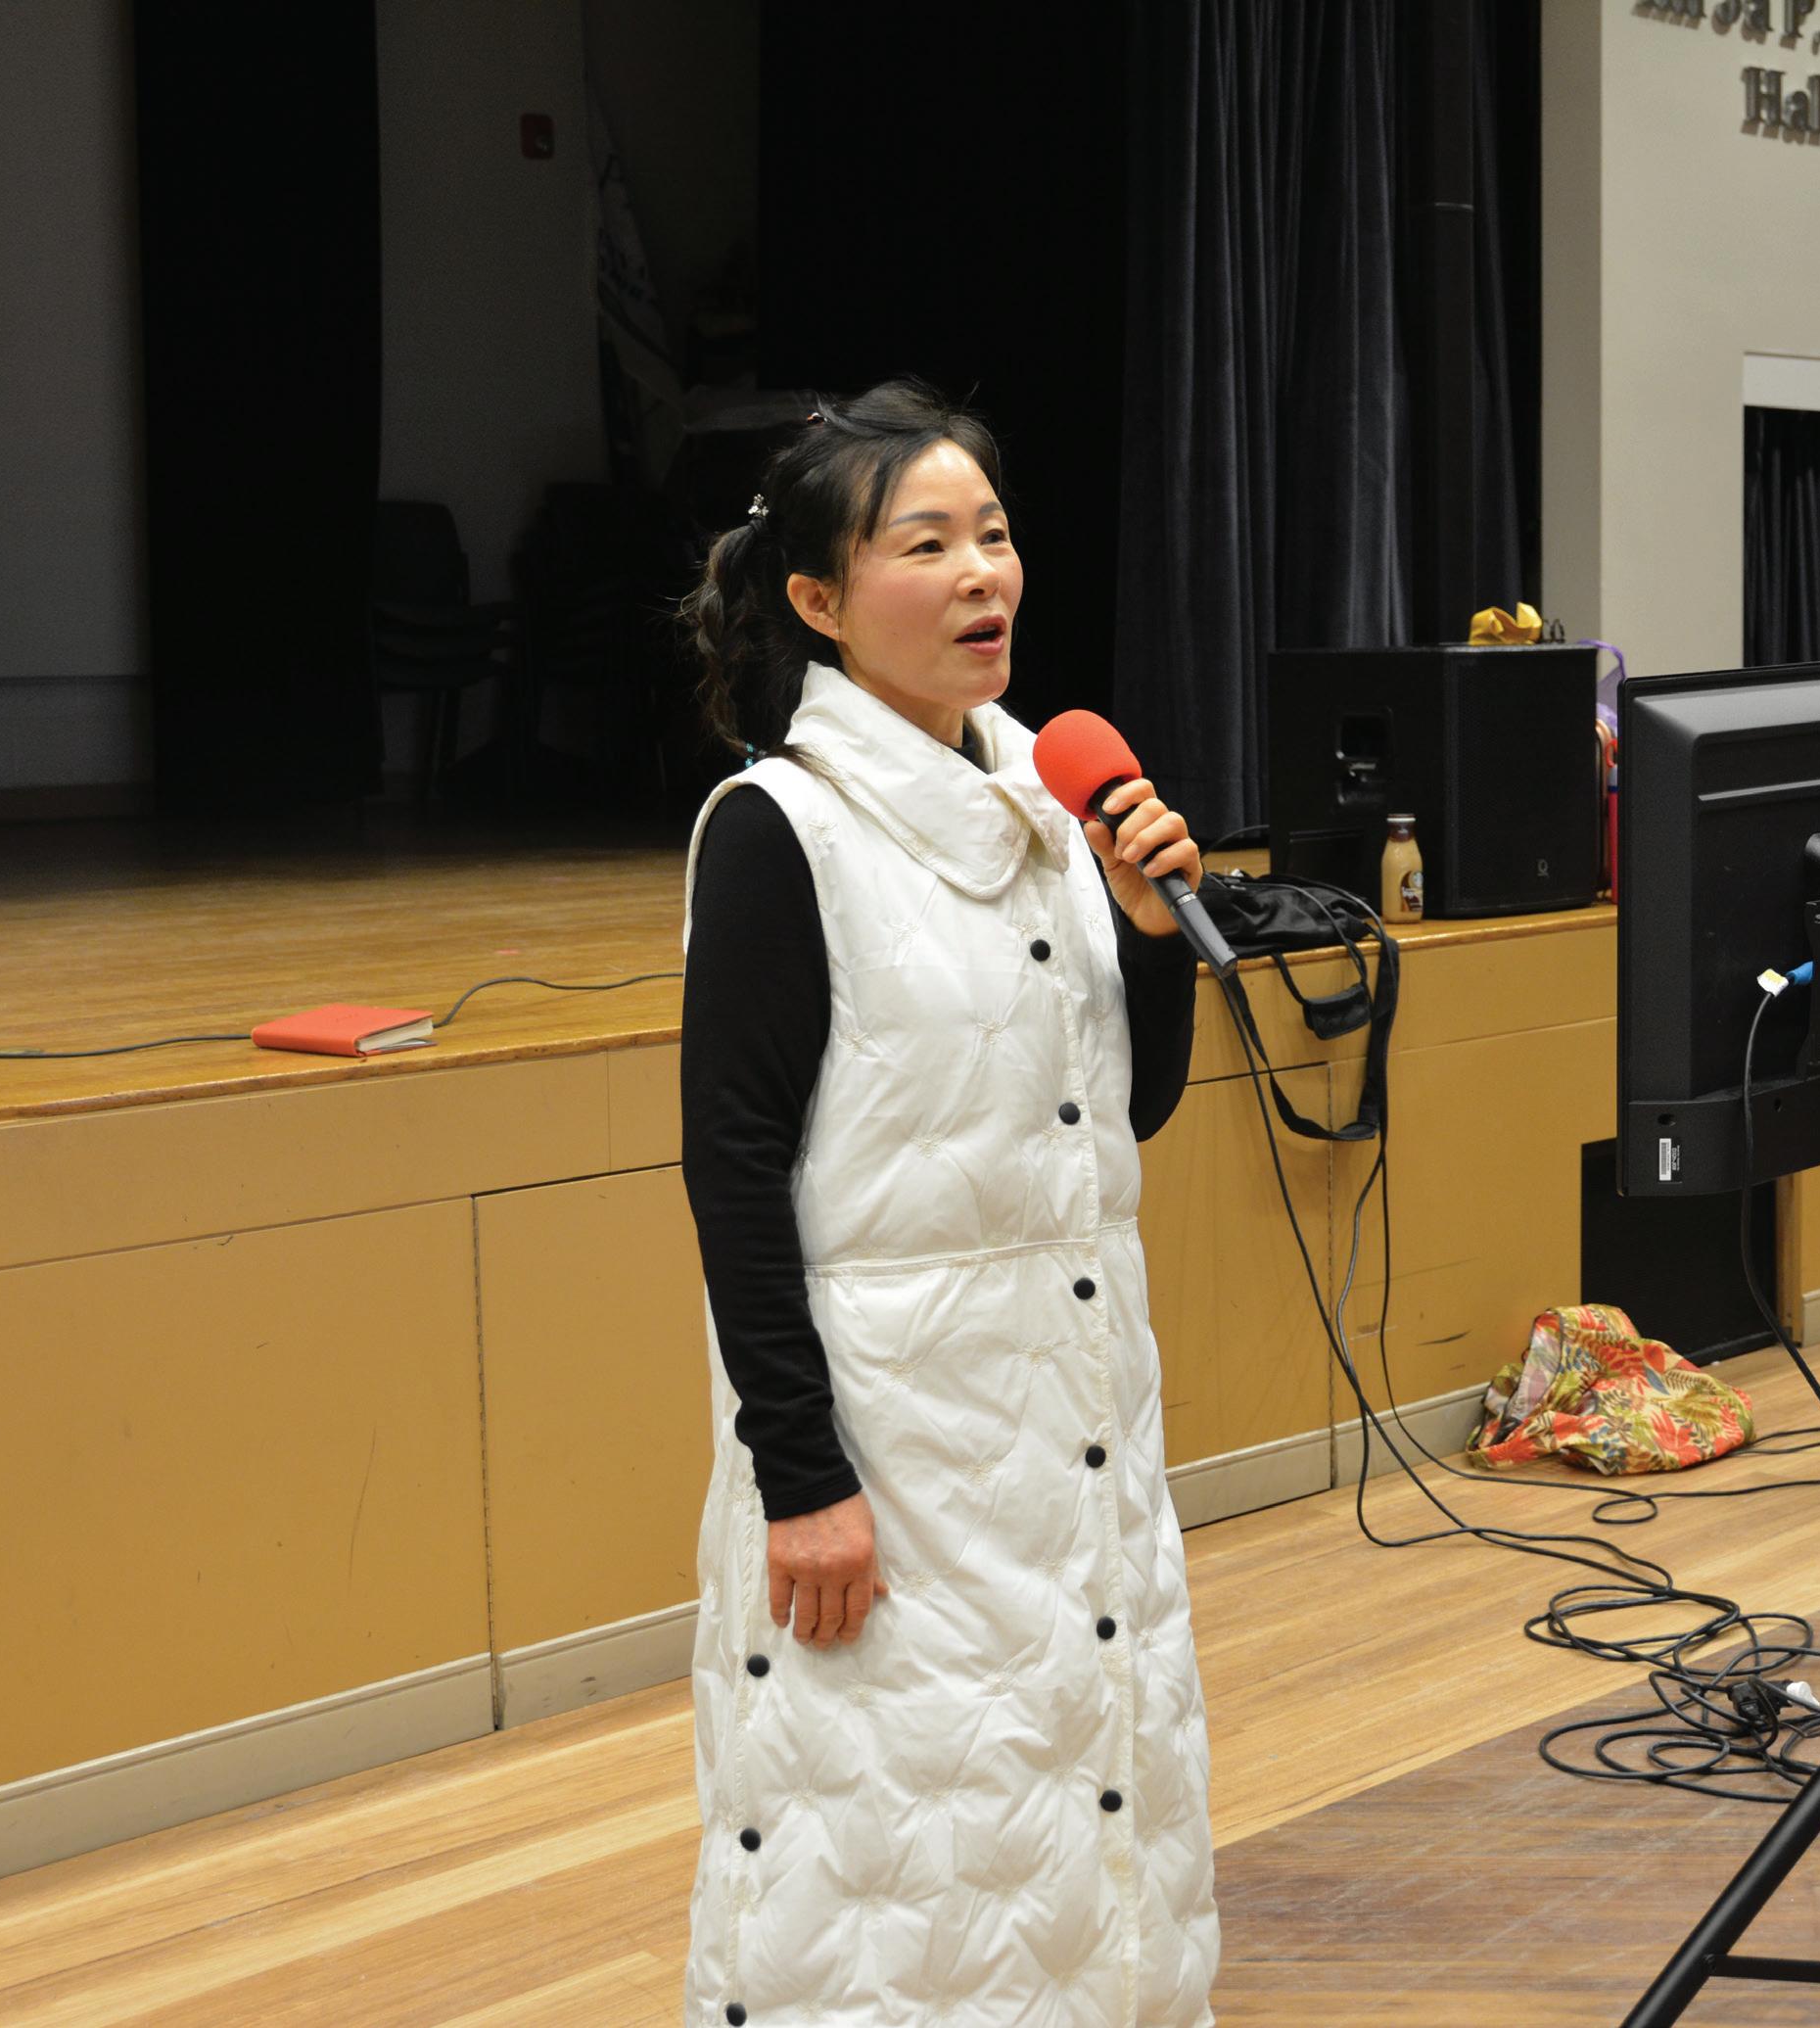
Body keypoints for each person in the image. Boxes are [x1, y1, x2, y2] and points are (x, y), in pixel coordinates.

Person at [673, 380, 1220, 2026]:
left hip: (1074, 1421)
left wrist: (1147, 934)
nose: (982, 572)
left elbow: (1120, 1110)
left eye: (992, 534)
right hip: (888, 1443)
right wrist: (801, 1476)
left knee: (1081, 1815)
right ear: (819, 601)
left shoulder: (1055, 800)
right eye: (925, 545)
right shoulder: (780, 830)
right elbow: (732, 1174)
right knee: (874, 1851)